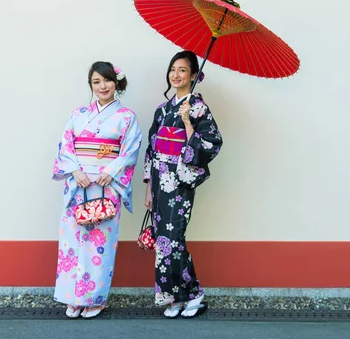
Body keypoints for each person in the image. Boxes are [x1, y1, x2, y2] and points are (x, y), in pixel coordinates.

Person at [52, 61, 143, 319]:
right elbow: (66, 146)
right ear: (91, 85)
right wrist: (76, 172)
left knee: (99, 244)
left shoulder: (126, 117)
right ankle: (73, 298)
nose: (102, 86)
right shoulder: (78, 114)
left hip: (106, 185)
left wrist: (110, 172)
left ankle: (94, 298)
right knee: (72, 242)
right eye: (96, 82)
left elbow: (130, 150)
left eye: (107, 80)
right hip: (78, 184)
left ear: (116, 83)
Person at [143, 50, 223, 318]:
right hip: (159, 181)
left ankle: (194, 294)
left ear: (193, 75)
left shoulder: (198, 108)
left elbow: (211, 144)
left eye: (182, 70)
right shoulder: (162, 110)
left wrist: (188, 121)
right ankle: (174, 298)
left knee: (174, 239)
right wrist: (148, 189)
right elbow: (152, 149)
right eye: (173, 69)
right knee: (163, 241)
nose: (175, 75)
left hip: (179, 182)